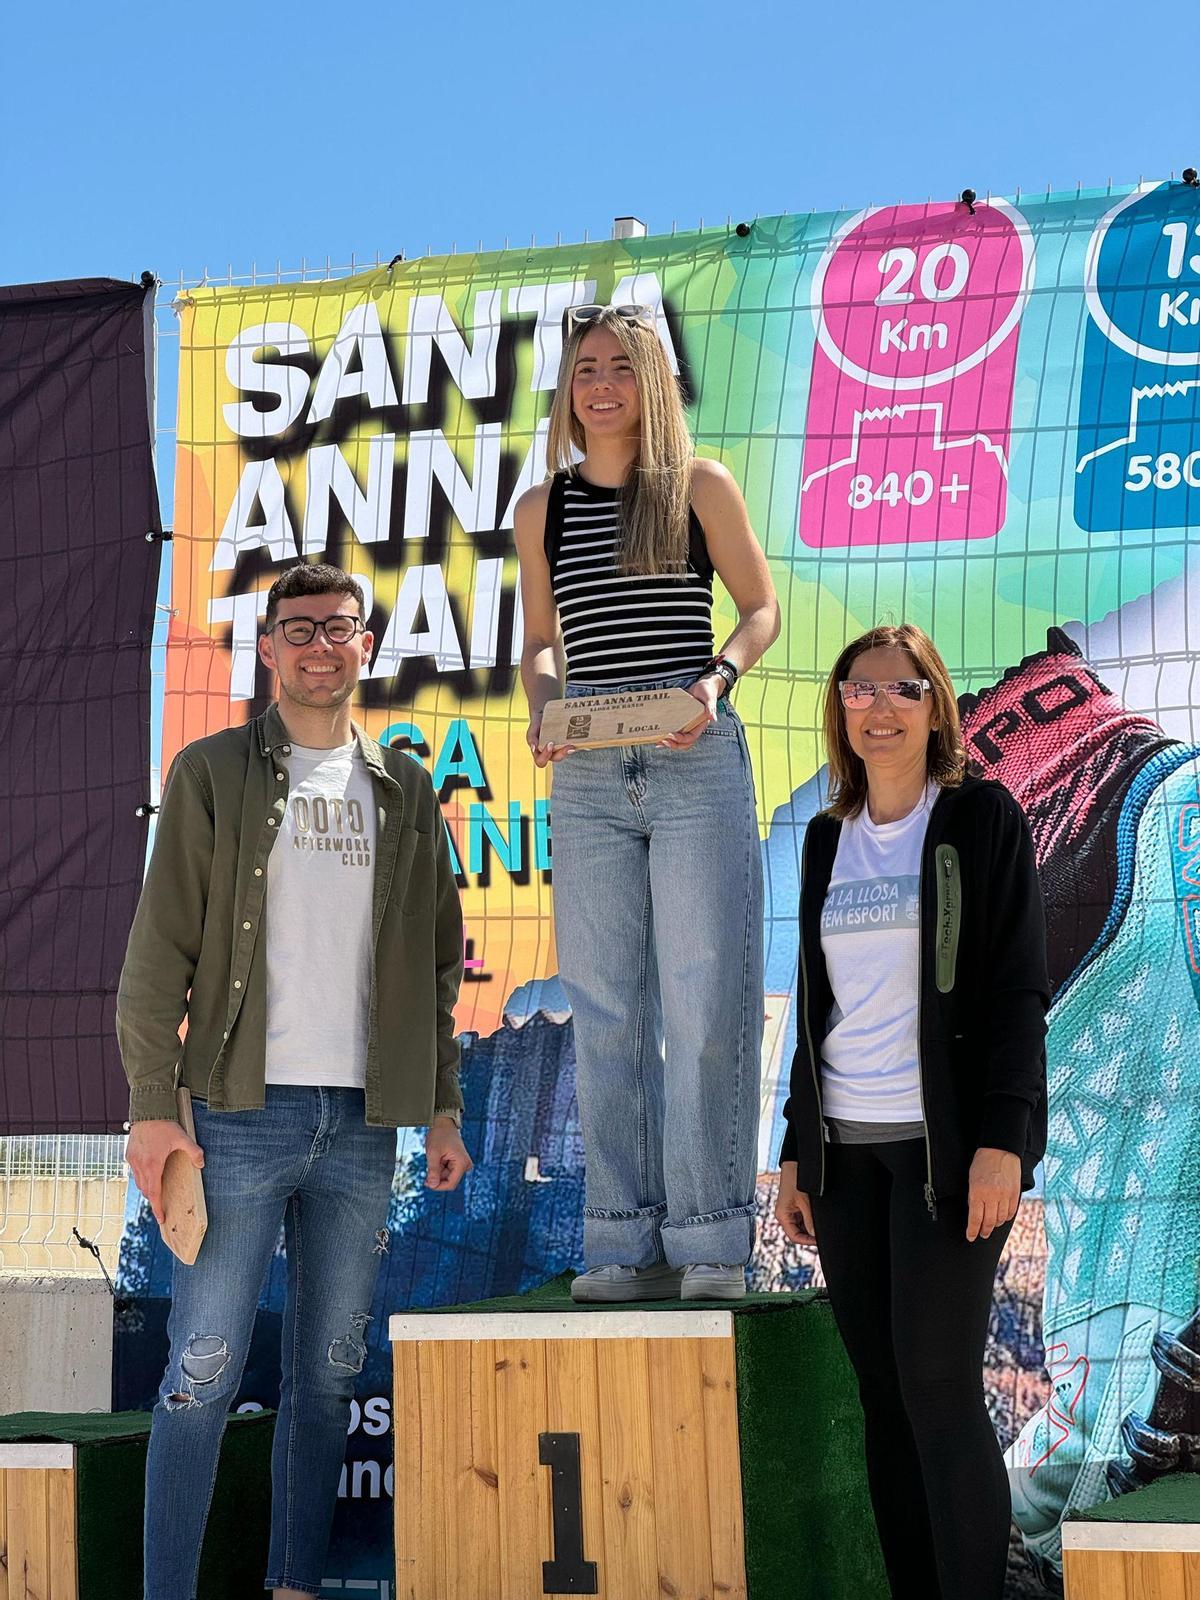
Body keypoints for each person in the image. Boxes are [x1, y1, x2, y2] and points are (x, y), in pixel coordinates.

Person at [118, 562, 471, 1600]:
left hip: (366, 1126)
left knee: (325, 1378)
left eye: (341, 628)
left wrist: (441, 1104)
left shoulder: (406, 791)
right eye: (299, 628)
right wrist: (151, 1105)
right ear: (268, 648)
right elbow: (155, 958)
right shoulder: (213, 773)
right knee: (202, 1371)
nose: (322, 645)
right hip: (237, 1116)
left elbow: (438, 965)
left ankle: (294, 1585)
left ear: (368, 648)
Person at [774, 623, 1048, 1600]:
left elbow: (1018, 989)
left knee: (937, 1386)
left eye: (903, 690)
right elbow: (814, 1004)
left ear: (936, 706)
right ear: (838, 708)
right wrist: (795, 1150)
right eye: (860, 690)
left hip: (949, 1155)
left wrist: (1002, 1140)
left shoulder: (980, 820)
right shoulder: (822, 838)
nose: (880, 709)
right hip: (848, 1159)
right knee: (885, 1398)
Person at [514, 302, 779, 1302]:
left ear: (657, 381)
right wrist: (544, 705)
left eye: (623, 364)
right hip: (586, 772)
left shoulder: (697, 486)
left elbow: (761, 608)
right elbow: (541, 641)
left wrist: (713, 685)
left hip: (693, 756)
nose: (603, 383)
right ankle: (619, 1238)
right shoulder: (544, 507)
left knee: (706, 1001)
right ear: (568, 388)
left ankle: (712, 1238)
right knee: (607, 1006)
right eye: (586, 366)